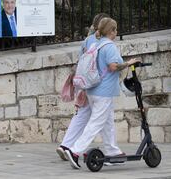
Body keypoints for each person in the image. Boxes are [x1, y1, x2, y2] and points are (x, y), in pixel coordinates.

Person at [64, 17, 139, 169]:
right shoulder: (109, 46)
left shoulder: (96, 43)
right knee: (96, 122)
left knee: (107, 121)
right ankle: (74, 151)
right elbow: (113, 66)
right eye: (115, 29)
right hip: (103, 92)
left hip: (93, 90)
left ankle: (112, 151)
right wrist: (129, 63)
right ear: (111, 31)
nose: (116, 32)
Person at [56, 13, 110, 161]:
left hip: (82, 81)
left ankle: (66, 145)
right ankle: (75, 149)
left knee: (81, 114)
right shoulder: (103, 41)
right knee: (100, 118)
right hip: (96, 85)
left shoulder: (87, 40)